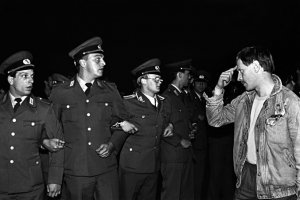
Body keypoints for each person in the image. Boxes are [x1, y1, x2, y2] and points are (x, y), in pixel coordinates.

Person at [204, 46, 300, 199]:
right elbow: (215, 119)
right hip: (246, 178)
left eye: (242, 71)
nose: (239, 78)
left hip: (279, 188)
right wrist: (218, 88)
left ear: (256, 67)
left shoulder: (290, 102)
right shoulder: (244, 100)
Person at [49, 36, 138, 200]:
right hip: (76, 172)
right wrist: (55, 177)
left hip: (106, 170)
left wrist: (112, 145)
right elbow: (54, 134)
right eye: (97, 59)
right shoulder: (61, 93)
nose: (103, 63)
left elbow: (123, 123)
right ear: (83, 63)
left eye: (103, 59)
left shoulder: (110, 90)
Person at [0, 51, 64, 199]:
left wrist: (55, 179)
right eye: (24, 76)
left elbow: (59, 145)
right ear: (11, 79)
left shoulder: (43, 109)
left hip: (30, 187)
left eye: (32, 76)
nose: (31, 81)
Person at [117, 58, 173, 200]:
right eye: (156, 78)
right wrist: (121, 123)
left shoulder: (163, 102)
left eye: (160, 78)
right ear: (143, 80)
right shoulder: (128, 102)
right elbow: (110, 121)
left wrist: (170, 125)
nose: (160, 81)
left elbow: (166, 119)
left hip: (153, 166)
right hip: (132, 167)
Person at [160, 59, 195, 200]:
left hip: (184, 154)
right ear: (180, 75)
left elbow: (179, 121)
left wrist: (189, 131)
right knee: (172, 194)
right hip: (173, 156)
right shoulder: (167, 97)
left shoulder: (181, 95)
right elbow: (162, 126)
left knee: (184, 194)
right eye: (187, 74)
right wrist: (180, 140)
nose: (189, 77)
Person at [188, 69, 211, 199]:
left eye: (203, 83)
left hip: (204, 143)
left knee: (201, 177)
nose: (201, 85)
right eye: (198, 82)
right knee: (194, 178)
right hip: (194, 144)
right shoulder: (189, 97)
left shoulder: (207, 99)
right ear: (193, 83)